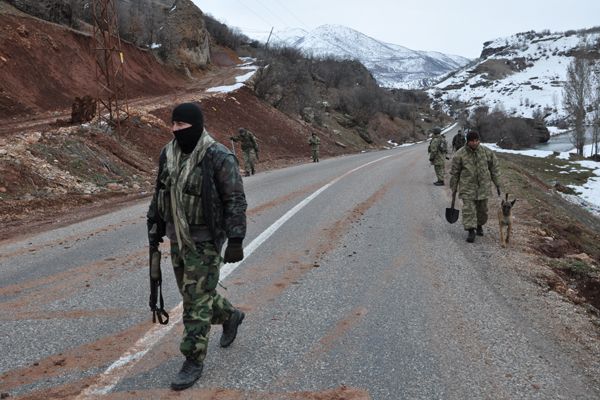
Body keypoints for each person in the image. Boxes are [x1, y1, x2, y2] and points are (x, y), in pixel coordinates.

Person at [146, 102, 247, 391]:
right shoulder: (168, 153)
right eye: (173, 125)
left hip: (205, 240)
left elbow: (235, 200)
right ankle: (230, 315)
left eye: (182, 126)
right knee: (194, 295)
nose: (176, 130)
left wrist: (236, 239)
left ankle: (193, 358)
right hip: (178, 237)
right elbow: (160, 191)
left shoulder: (218, 156)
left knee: (195, 302)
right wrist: (154, 223)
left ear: (196, 126)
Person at [449, 130, 502, 243]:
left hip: (483, 187)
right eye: (472, 141)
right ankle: (470, 230)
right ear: (467, 141)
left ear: (479, 140)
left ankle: (479, 225)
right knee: (469, 209)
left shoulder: (487, 152)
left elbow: (494, 168)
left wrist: (497, 183)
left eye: (476, 140)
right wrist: (453, 186)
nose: (474, 143)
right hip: (467, 187)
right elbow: (455, 172)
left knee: (482, 210)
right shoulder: (460, 154)